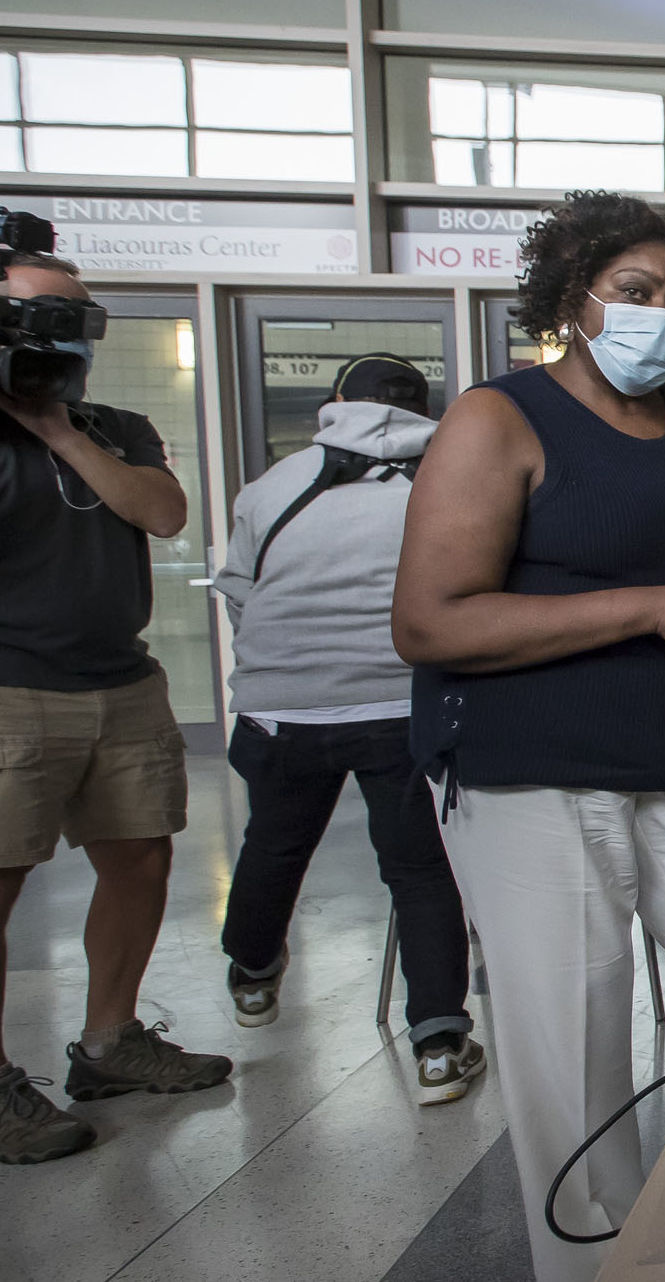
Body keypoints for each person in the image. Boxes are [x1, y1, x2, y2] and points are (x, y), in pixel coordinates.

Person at [391, 191, 665, 1282]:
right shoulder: (501, 418)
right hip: (536, 778)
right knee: (575, 1062)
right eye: (633, 291)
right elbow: (429, 620)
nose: (657, 315)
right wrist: (648, 606)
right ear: (574, 298)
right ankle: (594, 1265)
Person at [0, 254, 231, 1166]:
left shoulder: (113, 426)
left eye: (77, 315)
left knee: (142, 860)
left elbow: (162, 515)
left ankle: (110, 1041)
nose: (63, 334)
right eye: (41, 316)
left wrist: (57, 427)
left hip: (116, 679)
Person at [210, 353, 483, 1105]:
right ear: (427, 409)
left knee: (272, 843)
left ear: (336, 402)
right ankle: (437, 1043)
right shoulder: (447, 482)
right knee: (420, 872)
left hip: (281, 709)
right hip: (398, 704)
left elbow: (239, 590)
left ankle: (254, 974)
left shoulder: (274, 485)